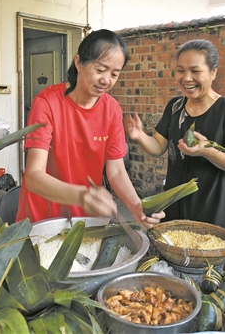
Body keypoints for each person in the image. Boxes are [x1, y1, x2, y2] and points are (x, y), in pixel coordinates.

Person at [16, 29, 164, 229]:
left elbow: (117, 171)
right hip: (43, 217)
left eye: (114, 74)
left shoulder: (112, 110)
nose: (106, 80)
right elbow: (33, 176)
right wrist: (82, 195)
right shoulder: (47, 103)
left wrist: (136, 206)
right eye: (100, 69)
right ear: (79, 63)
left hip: (86, 219)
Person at [125, 39, 225, 231]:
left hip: (211, 209)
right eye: (180, 70)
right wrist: (139, 135)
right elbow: (158, 146)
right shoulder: (175, 107)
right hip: (173, 206)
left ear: (213, 72)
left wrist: (207, 151)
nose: (186, 78)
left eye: (195, 71)